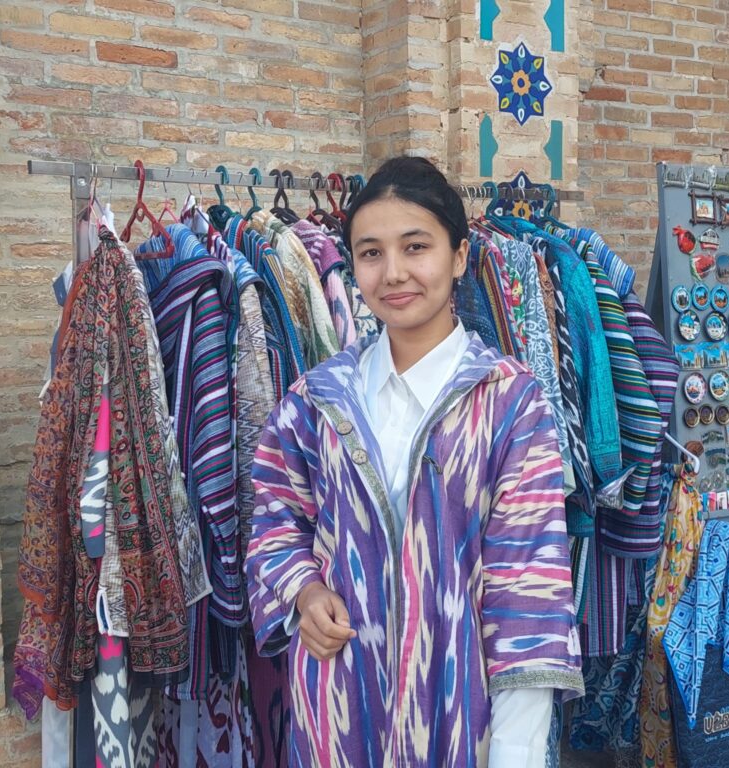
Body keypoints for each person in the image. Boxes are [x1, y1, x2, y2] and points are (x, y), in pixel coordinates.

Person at [245, 156, 583, 767]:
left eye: (415, 246)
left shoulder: (508, 402)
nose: (393, 273)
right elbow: (272, 517)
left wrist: (514, 754)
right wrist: (303, 588)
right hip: (339, 717)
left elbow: (527, 594)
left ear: (458, 257)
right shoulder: (317, 399)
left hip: (461, 724)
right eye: (370, 253)